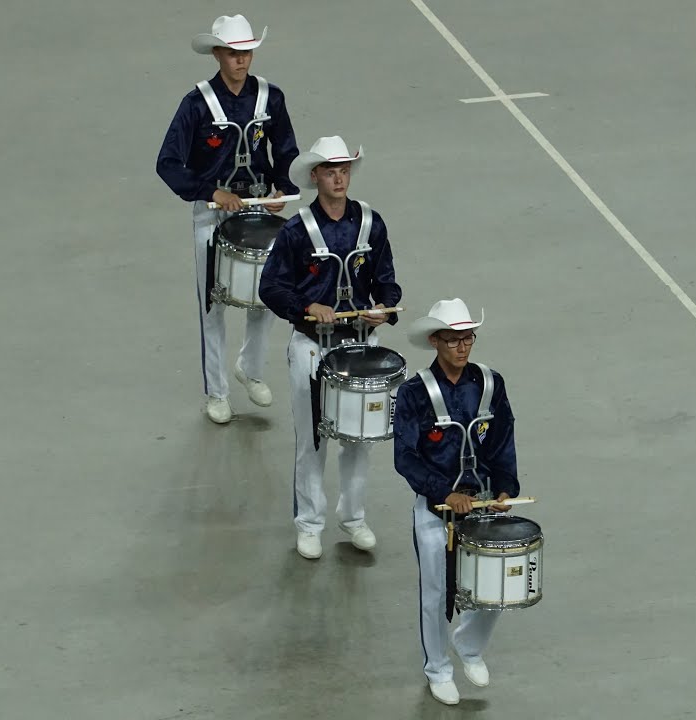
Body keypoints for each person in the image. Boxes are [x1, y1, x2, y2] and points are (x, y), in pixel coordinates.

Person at [258, 136, 403, 560]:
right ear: (315, 176)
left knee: (360, 438)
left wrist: (384, 309)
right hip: (312, 348)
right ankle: (309, 523)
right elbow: (271, 287)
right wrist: (306, 307)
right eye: (330, 171)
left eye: (344, 170)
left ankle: (353, 517)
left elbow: (387, 281)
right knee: (312, 439)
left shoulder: (371, 223)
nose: (339, 178)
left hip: (361, 346)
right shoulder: (296, 229)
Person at [156, 14, 300, 424]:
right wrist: (210, 192)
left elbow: (286, 151)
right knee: (212, 304)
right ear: (217, 54)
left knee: (267, 295)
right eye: (234, 53)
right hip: (213, 211)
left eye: (247, 52)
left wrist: (282, 187)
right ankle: (217, 393)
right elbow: (168, 163)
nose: (241, 60)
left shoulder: (271, 98)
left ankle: (250, 368)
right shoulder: (196, 104)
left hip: (258, 207)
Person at [392, 298, 519, 706]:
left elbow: (502, 440)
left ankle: (470, 644)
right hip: (436, 508)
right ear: (435, 341)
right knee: (434, 592)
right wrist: (443, 493)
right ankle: (438, 669)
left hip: (482, 504)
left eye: (468, 338)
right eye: (453, 340)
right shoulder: (413, 393)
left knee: (497, 583)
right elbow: (405, 457)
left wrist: (505, 488)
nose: (462, 347)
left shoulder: (491, 384)